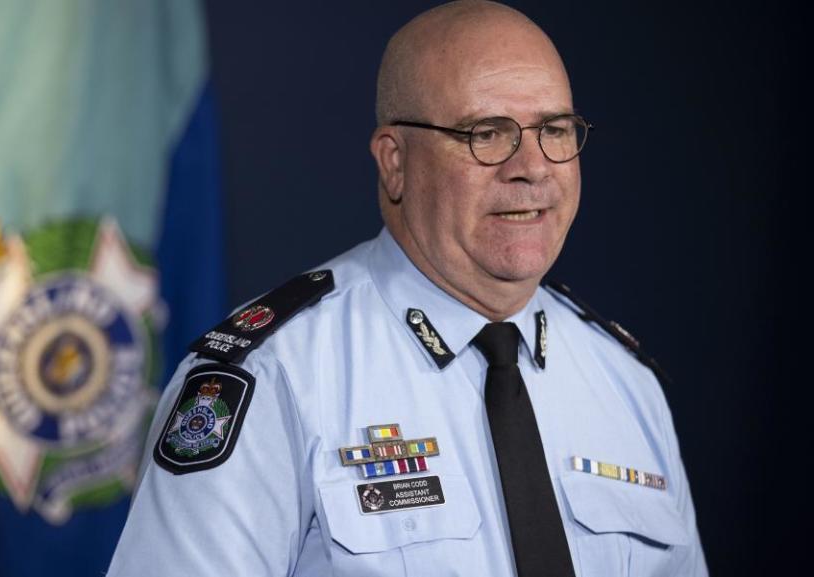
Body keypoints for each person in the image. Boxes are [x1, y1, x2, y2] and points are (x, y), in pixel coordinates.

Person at [107, 1, 708, 575]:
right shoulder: (274, 378)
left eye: (554, 128)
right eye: (488, 134)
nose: (531, 166)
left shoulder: (626, 385)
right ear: (395, 162)